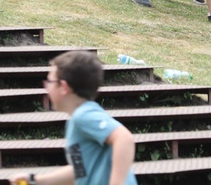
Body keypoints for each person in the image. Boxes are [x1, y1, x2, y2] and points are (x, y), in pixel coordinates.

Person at [8, 51, 137, 185]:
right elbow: (79, 171)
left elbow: (124, 138)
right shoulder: (77, 121)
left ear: (63, 87)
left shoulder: (84, 115)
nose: (46, 87)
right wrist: (34, 180)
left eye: (49, 81)